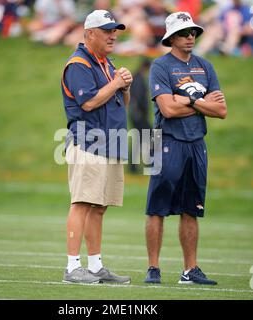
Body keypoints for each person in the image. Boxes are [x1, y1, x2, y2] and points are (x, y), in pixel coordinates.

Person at [145, 12, 227, 285]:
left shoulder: (206, 66)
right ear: (171, 38)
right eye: (183, 33)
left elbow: (221, 110)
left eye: (193, 32)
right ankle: (153, 268)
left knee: (191, 208)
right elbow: (167, 109)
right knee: (157, 208)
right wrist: (200, 100)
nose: (190, 36)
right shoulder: (160, 66)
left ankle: (189, 270)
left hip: (196, 143)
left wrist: (189, 100)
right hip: (164, 141)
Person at [60, 9, 133, 284]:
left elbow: (120, 106)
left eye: (115, 30)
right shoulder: (79, 63)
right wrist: (116, 82)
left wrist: (123, 88)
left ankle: (94, 266)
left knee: (99, 206)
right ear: (90, 33)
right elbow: (88, 102)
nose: (113, 35)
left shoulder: (105, 63)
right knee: (81, 202)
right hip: (88, 141)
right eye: (107, 30)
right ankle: (71, 267)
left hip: (109, 143)